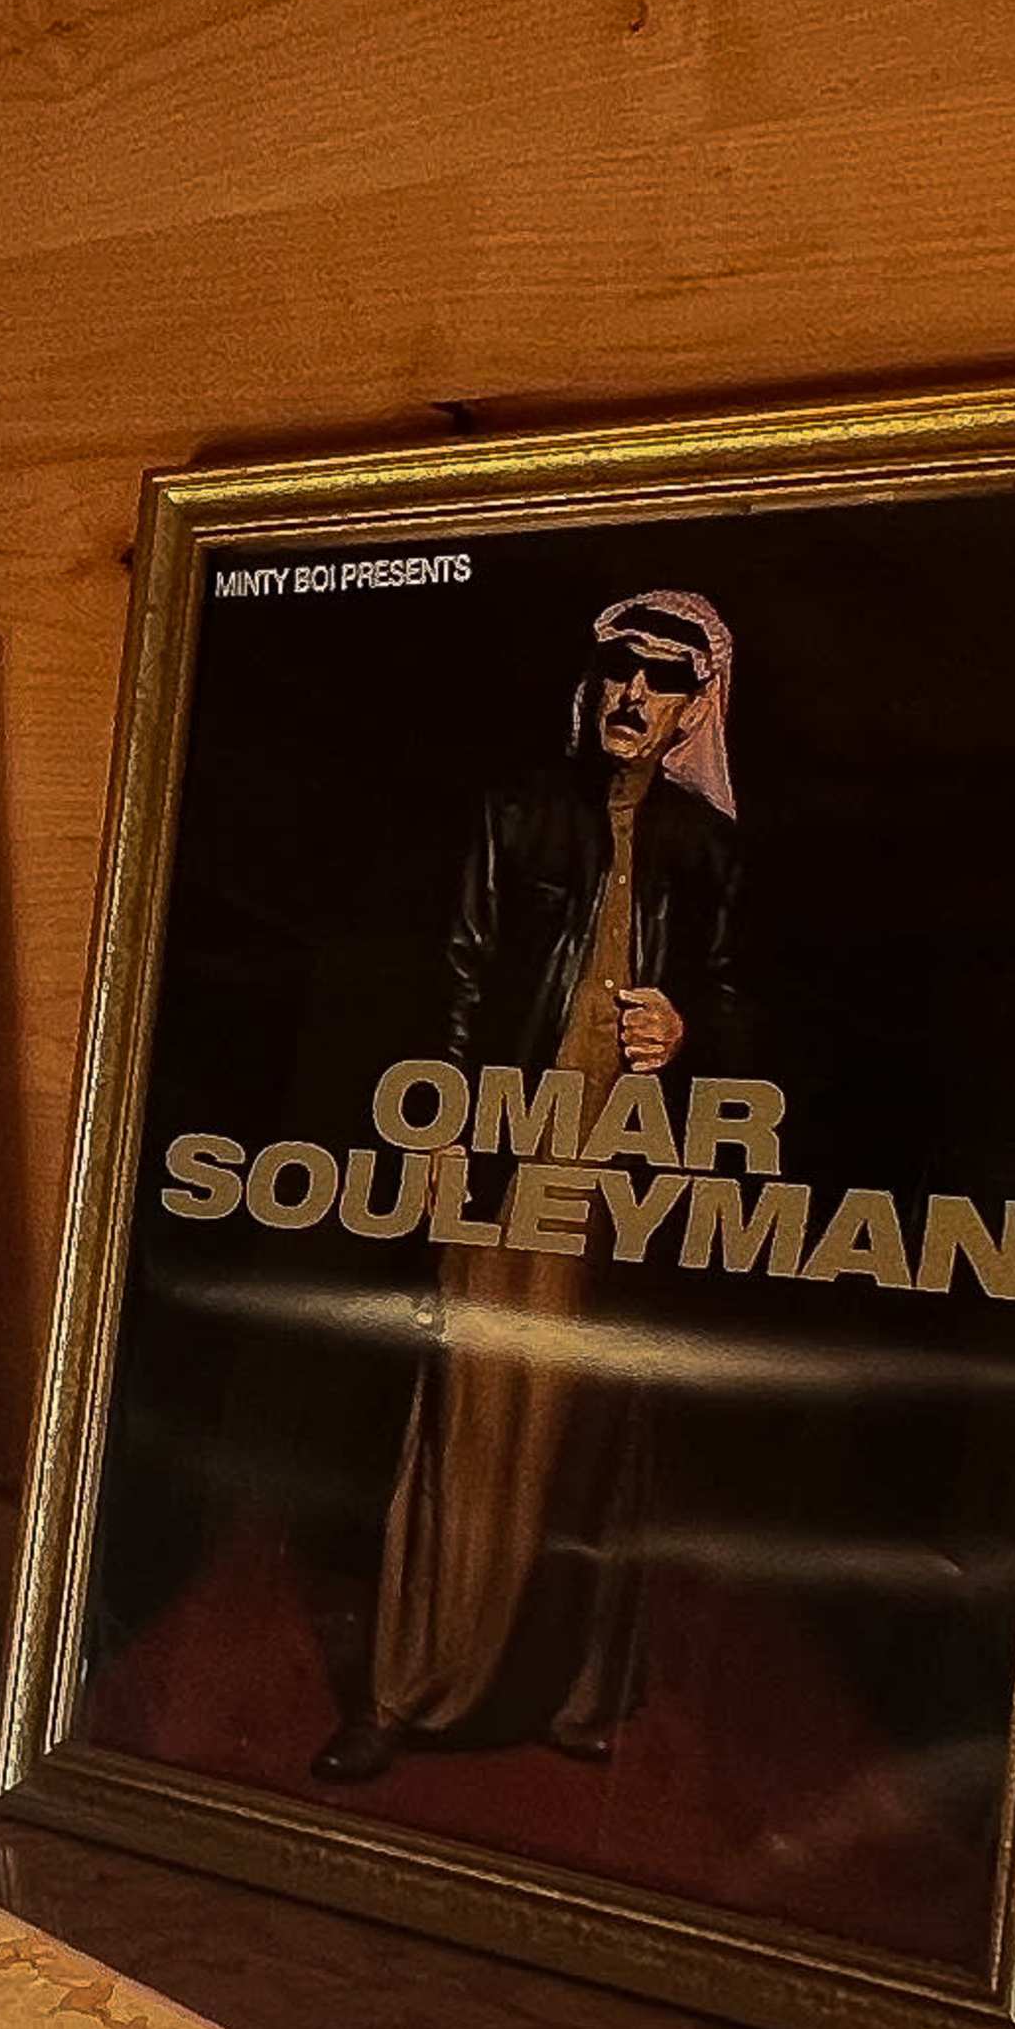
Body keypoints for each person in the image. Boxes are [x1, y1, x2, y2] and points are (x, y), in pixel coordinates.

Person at [316, 582, 743, 1783]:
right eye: (620, 668)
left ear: (697, 705)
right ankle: (404, 1693)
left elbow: (744, 1000)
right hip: (507, 1155)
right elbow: (457, 976)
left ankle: (574, 1693)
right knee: (467, 1410)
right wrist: (446, 1130)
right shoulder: (516, 813)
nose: (634, 693)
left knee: (593, 1420)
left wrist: (691, 1027)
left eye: (664, 678)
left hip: (632, 1173)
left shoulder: (710, 848)